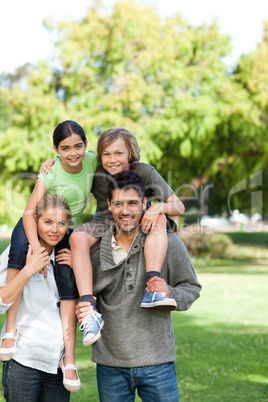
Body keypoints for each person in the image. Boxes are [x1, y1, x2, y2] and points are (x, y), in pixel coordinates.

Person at [41, 127, 185, 347]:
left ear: (130, 153)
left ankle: (152, 285)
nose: (112, 159)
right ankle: (89, 310)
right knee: (78, 237)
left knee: (161, 218)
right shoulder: (96, 172)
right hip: (106, 221)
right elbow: (72, 163)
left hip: (137, 219)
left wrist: (158, 208)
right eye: (106, 154)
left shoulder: (145, 171)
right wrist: (52, 163)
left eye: (119, 153)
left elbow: (178, 206)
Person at [75, 170, 201, 401]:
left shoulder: (168, 244)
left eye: (133, 203)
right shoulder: (91, 252)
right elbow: (83, 301)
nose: (125, 211)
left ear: (144, 203)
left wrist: (168, 292)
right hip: (110, 365)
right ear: (109, 205)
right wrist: (81, 309)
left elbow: (192, 288)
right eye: (119, 204)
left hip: (158, 363)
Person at [0, 120, 98, 391]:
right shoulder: (51, 172)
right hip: (34, 223)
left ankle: (69, 360)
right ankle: (10, 332)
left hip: (64, 227)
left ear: (86, 145)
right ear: (55, 150)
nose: (73, 153)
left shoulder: (93, 161)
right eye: (65, 148)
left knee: (67, 274)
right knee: (20, 254)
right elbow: (30, 212)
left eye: (78, 146)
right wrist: (34, 247)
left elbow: (118, 159)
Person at [0, 194, 77, 401]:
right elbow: (1, 301)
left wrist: (77, 266)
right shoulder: (16, 254)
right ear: (36, 221)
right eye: (48, 222)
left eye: (61, 223)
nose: (54, 230)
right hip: (23, 362)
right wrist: (28, 270)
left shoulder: (71, 257)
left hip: (57, 364)